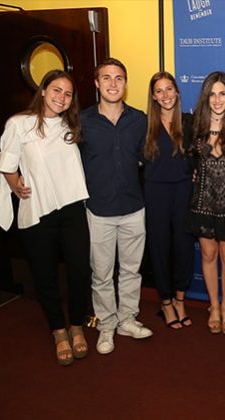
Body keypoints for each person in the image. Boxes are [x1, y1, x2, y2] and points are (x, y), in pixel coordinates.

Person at [0, 70, 91, 366]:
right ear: (43, 90)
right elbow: (7, 163)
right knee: (45, 275)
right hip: (38, 211)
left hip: (73, 208)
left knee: (78, 271)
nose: (62, 97)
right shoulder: (19, 123)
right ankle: (58, 331)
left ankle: (76, 324)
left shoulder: (70, 124)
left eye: (68, 93)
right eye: (57, 90)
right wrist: (16, 186)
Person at [80, 58, 153, 355]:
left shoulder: (140, 119)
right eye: (106, 78)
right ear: (97, 84)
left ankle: (127, 320)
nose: (113, 83)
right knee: (101, 274)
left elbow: (147, 156)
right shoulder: (81, 120)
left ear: (125, 83)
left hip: (134, 208)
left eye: (119, 78)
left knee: (132, 271)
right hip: (98, 211)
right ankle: (107, 324)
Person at [187, 71, 225, 335]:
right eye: (212, 94)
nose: (218, 99)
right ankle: (213, 306)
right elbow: (186, 162)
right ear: (206, 97)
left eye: (223, 94)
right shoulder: (194, 126)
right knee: (208, 255)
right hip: (203, 203)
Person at [144, 71, 195, 330]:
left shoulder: (189, 122)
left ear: (177, 91)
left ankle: (180, 300)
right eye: (159, 91)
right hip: (155, 192)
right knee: (160, 247)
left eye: (169, 89)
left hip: (184, 190)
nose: (165, 95)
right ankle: (165, 301)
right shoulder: (145, 125)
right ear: (153, 96)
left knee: (184, 247)